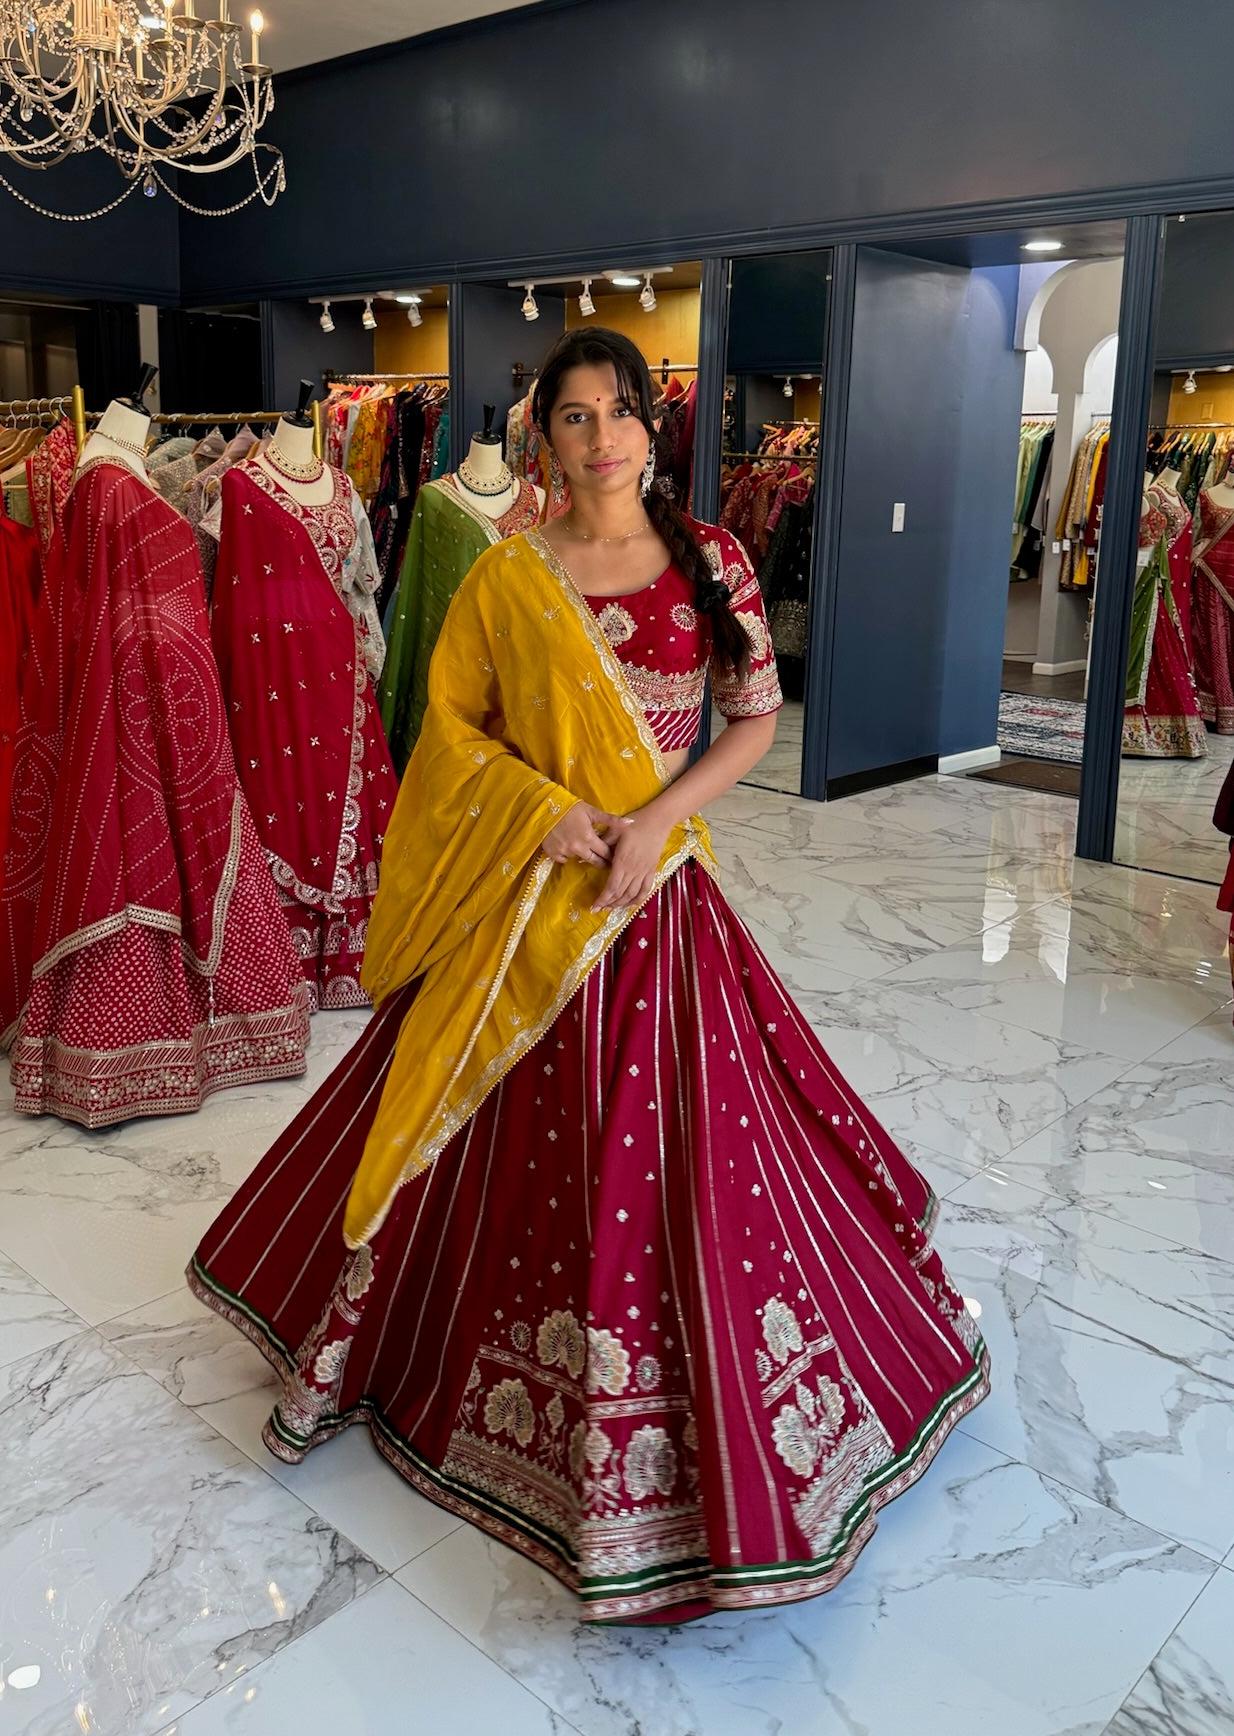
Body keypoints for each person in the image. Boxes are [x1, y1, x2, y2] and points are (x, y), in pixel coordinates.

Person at [188, 327, 988, 1622]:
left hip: (658, 902)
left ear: (650, 429)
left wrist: (662, 820)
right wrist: (542, 809)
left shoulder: (714, 560)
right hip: (531, 907)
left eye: (622, 412)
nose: (603, 435)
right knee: (473, 1139)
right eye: (574, 416)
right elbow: (453, 734)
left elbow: (753, 718)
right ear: (543, 438)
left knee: (697, 1155)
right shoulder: (511, 577)